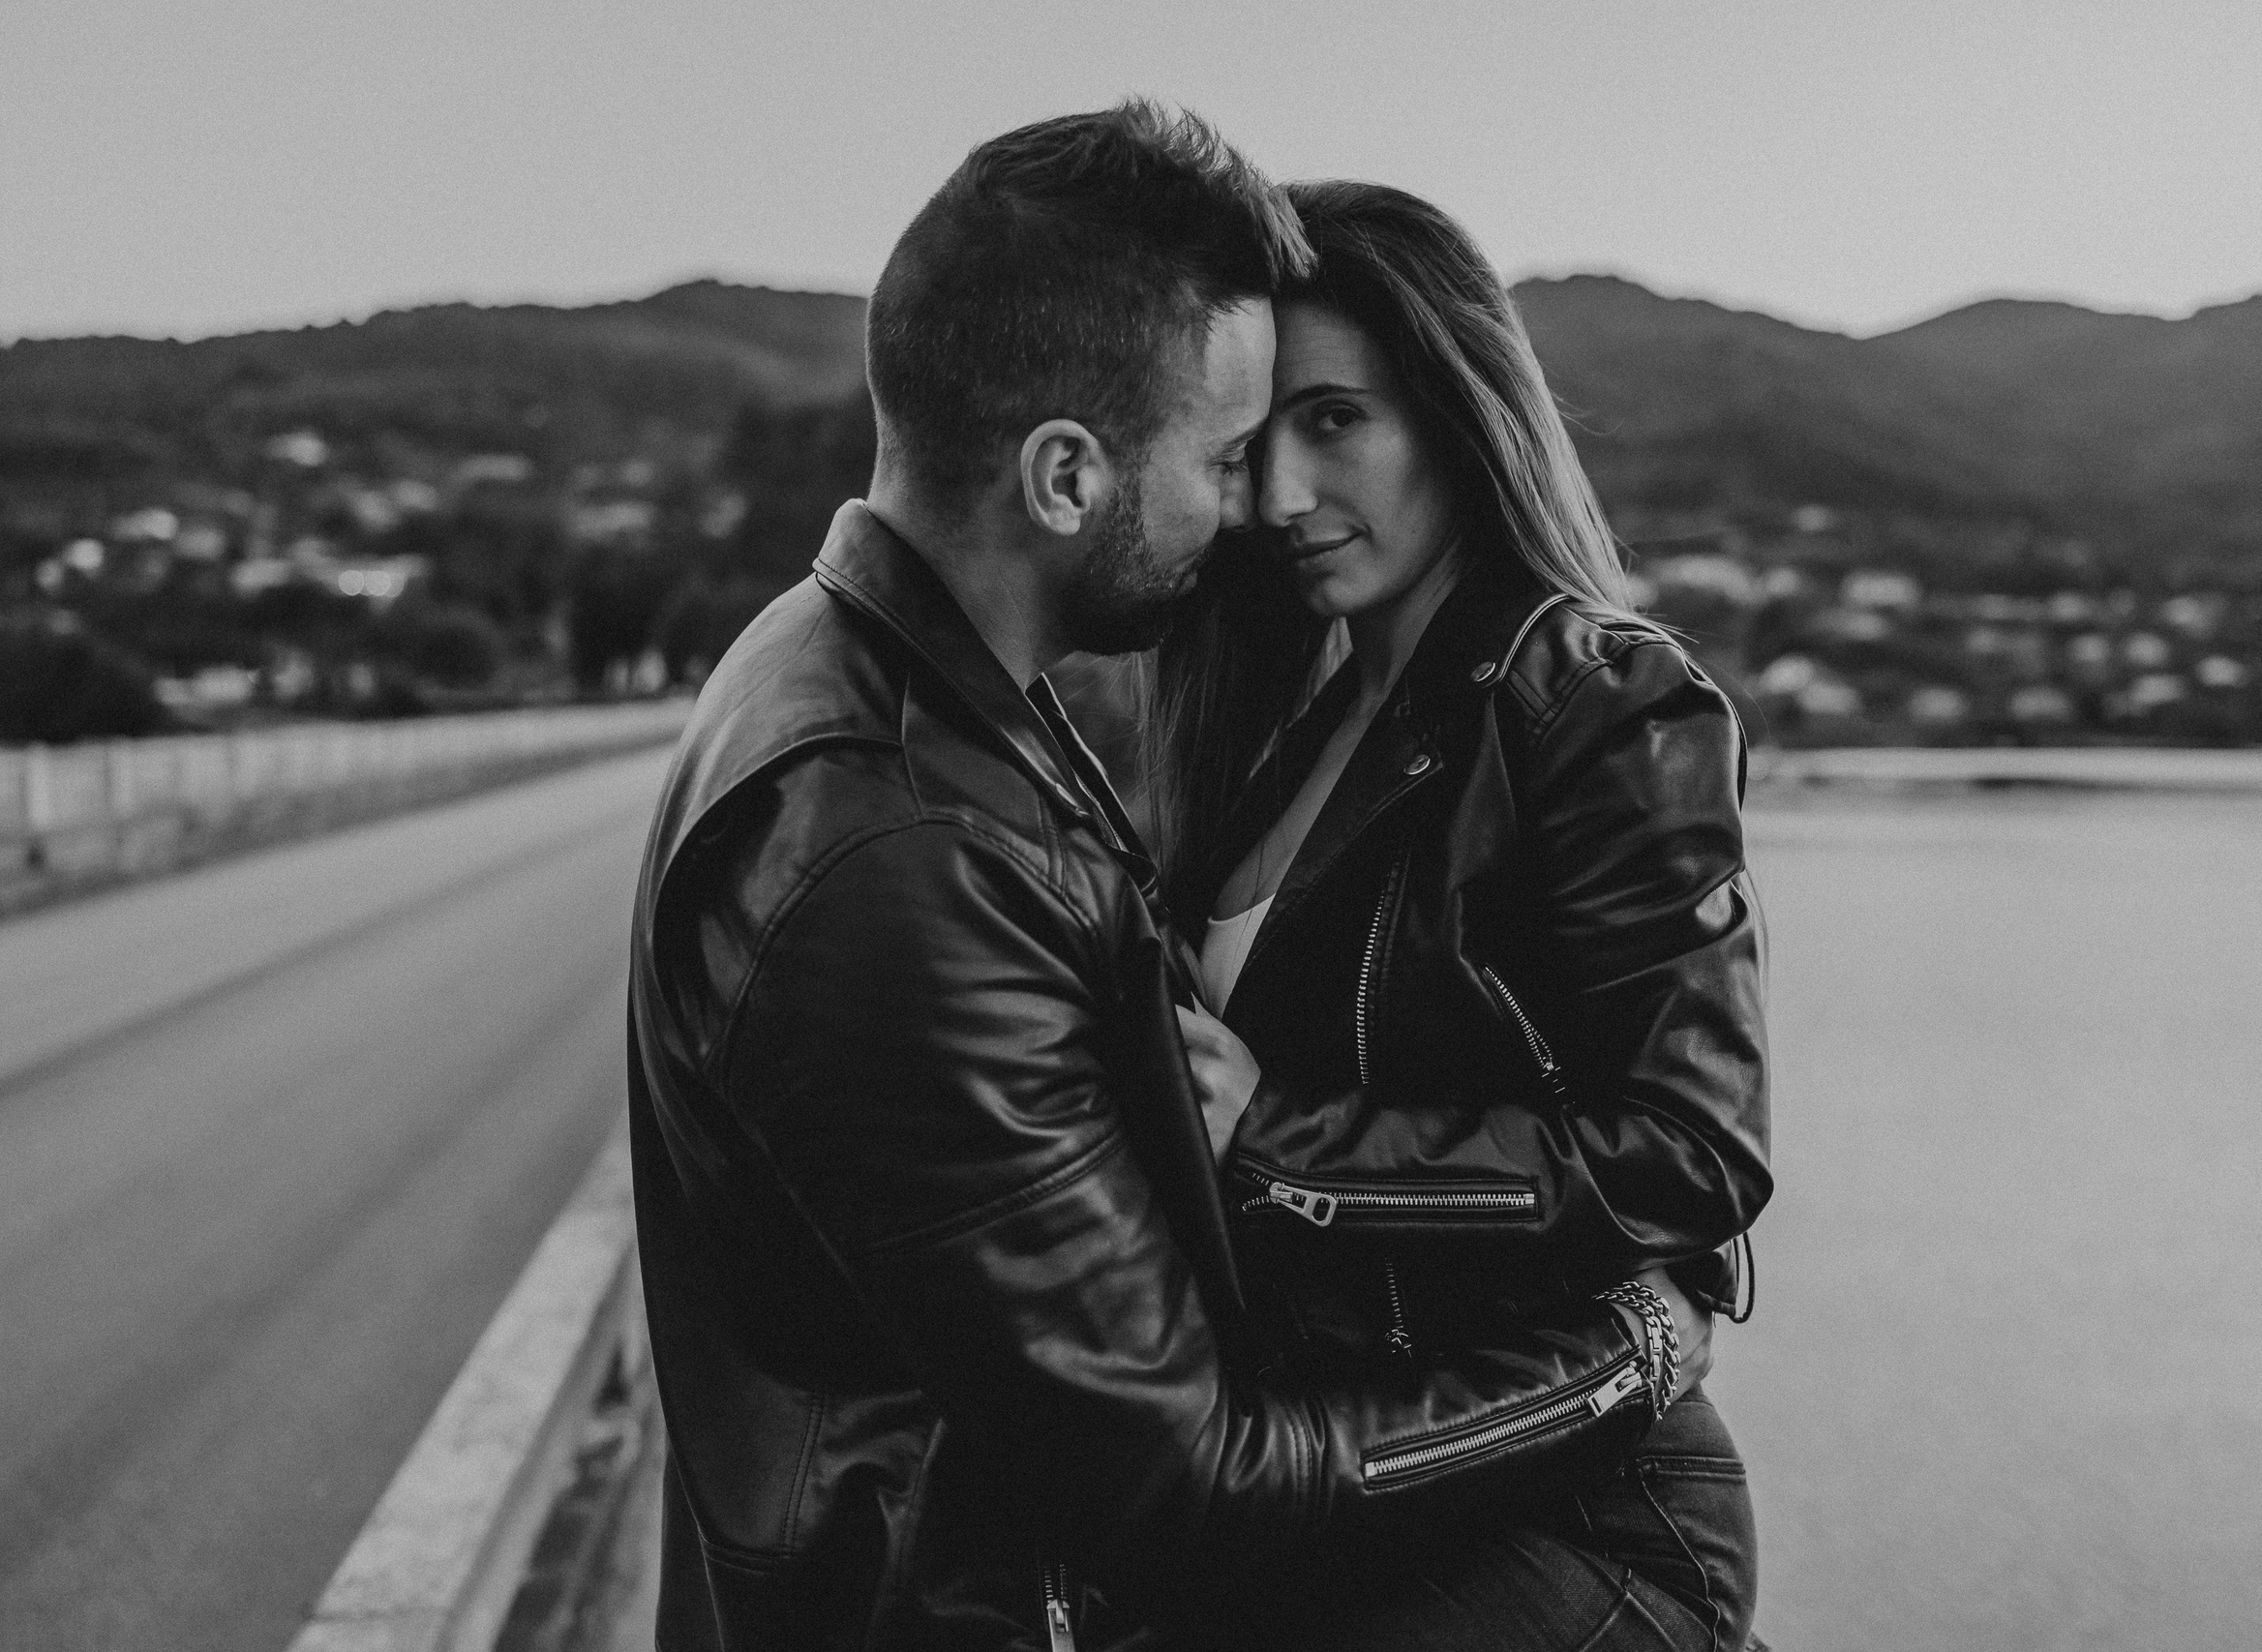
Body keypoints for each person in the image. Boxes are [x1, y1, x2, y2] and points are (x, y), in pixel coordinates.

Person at [627, 107, 1704, 1651]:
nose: (1255, 507)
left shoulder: (870, 690)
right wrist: (1625, 1358)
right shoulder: (907, 842)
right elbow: (1184, 1484)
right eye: (1224, 455)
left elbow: (1684, 1135)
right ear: (1067, 475)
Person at [1153, 180, 1773, 1650]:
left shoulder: (1602, 699)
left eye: (1336, 421)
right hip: (1353, 1487)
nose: (1281, 497)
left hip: (1578, 1516)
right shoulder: (1289, 724)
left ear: (1457, 410)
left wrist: (1283, 1142)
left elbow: (1695, 1155)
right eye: (1254, 443)